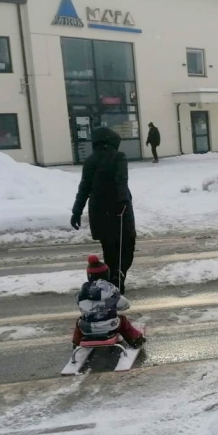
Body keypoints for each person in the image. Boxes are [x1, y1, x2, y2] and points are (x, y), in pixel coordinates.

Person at [70, 126, 136, 293]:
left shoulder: (90, 160)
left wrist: (76, 211)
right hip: (119, 210)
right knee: (126, 244)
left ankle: (113, 277)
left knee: (109, 248)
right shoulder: (118, 157)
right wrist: (122, 200)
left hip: (99, 212)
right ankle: (118, 276)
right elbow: (121, 180)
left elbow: (84, 187)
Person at [72, 255, 146, 348]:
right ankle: (136, 340)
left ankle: (76, 343)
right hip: (109, 326)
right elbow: (125, 305)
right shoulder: (111, 290)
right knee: (122, 320)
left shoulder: (81, 293)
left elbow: (80, 305)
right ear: (107, 274)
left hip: (87, 328)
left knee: (79, 322)